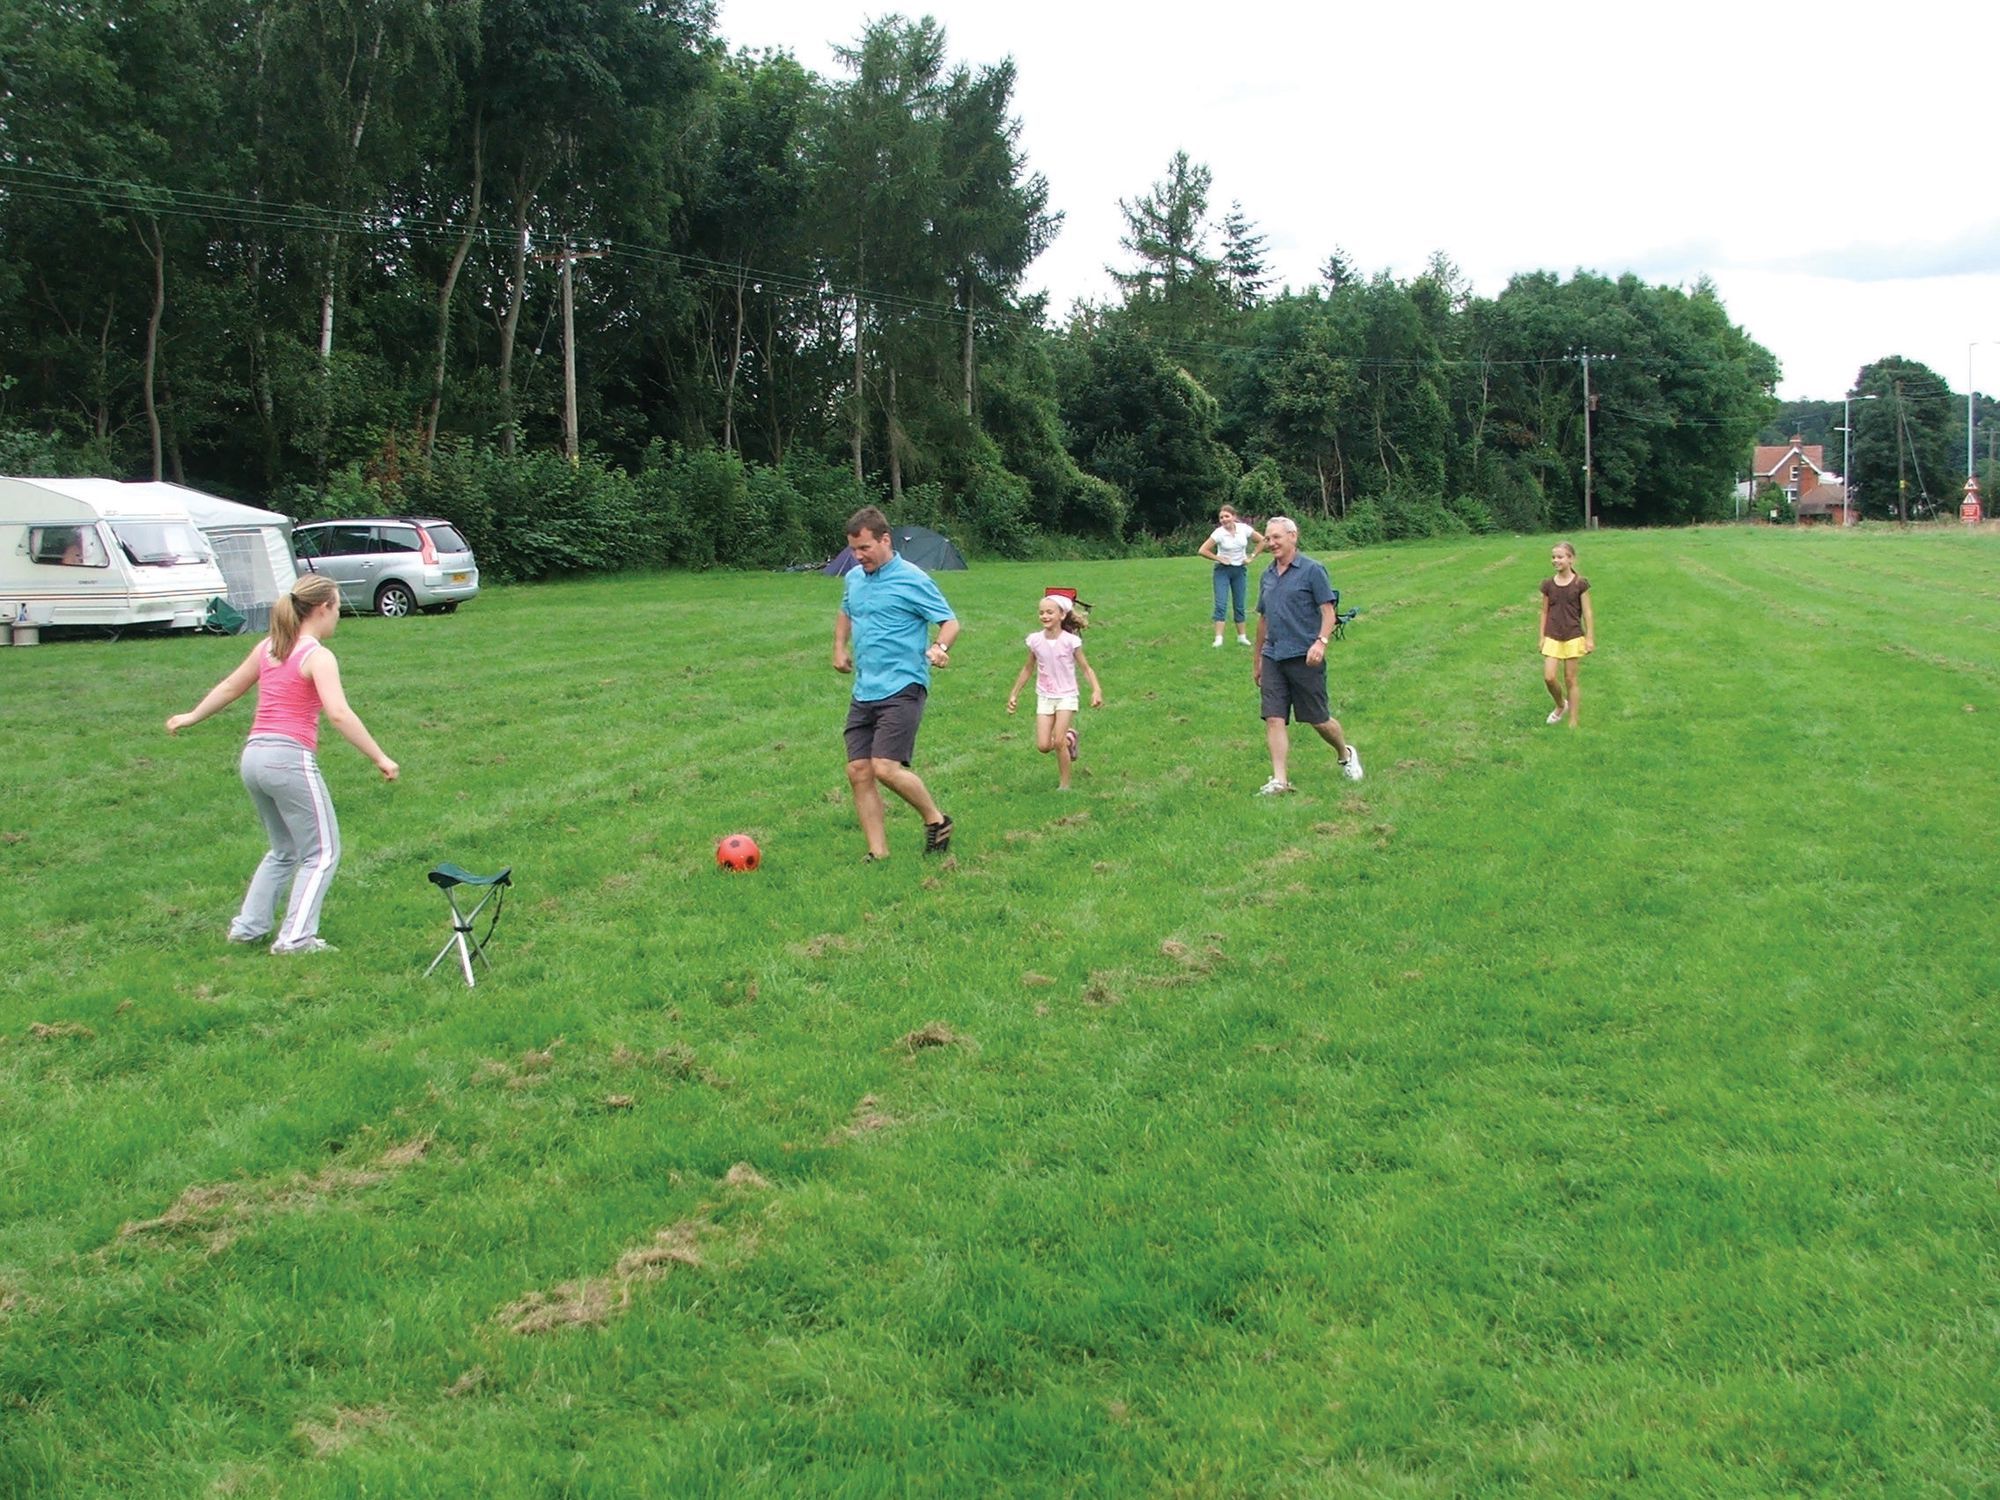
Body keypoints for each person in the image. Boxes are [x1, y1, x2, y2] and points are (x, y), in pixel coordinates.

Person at [165, 574, 398, 953]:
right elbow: (339, 713)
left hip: (253, 758)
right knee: (322, 853)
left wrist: (191, 716)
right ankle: (295, 939)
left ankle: (248, 929)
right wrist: (380, 756)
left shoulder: (269, 648)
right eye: (337, 608)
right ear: (322, 609)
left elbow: (230, 687)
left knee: (284, 849)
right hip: (288, 760)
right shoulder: (317, 656)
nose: (338, 616)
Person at [832, 507, 958, 861]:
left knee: (885, 768)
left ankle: (936, 820)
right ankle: (878, 854)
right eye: (853, 550)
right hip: (865, 688)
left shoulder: (912, 579)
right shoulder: (854, 578)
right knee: (858, 770)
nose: (858, 556)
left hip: (904, 685)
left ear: (885, 540)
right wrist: (839, 647)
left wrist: (940, 647)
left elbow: (949, 622)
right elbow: (846, 610)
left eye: (865, 548)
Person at [1251, 516, 1361, 793]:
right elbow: (1263, 619)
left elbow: (1328, 612)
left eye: (1277, 537)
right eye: (1268, 538)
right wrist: (1258, 660)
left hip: (1305, 656)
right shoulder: (1267, 575)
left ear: (1293, 536)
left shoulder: (1313, 570)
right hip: (1273, 655)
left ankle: (1345, 753)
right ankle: (1280, 780)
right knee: (1274, 717)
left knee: (1318, 719)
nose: (1271, 543)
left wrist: (1320, 642)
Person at [1005, 594, 1105, 790]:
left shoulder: (1070, 641)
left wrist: (1096, 690)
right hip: (1045, 696)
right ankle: (1070, 738)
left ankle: (1064, 785)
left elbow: (1086, 668)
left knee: (1058, 742)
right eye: (1041, 612)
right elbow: (1028, 668)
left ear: (1062, 615)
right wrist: (1014, 693)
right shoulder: (1035, 640)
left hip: (1067, 695)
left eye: (1050, 612)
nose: (1044, 616)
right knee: (1043, 745)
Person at [1538, 540, 1594, 727]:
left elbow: (1587, 612)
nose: (1555, 560)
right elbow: (1544, 612)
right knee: (1549, 677)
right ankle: (1561, 705)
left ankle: (1573, 720)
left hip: (1573, 635)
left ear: (1571, 559)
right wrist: (1542, 637)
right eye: (1553, 557)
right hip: (1552, 635)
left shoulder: (1580, 584)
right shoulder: (1548, 585)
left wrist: (1589, 638)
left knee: (1570, 678)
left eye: (1560, 557)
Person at [1197, 504, 1266, 646]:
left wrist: (1251, 557)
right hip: (1222, 571)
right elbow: (1202, 550)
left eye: (1227, 516)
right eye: (1221, 517)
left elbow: (1263, 540)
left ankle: (1242, 637)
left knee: (1239, 604)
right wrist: (1218, 558)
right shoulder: (1218, 533)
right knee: (1221, 604)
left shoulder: (1244, 529)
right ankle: (1218, 639)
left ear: (1234, 517)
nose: (1224, 519)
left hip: (1239, 570)